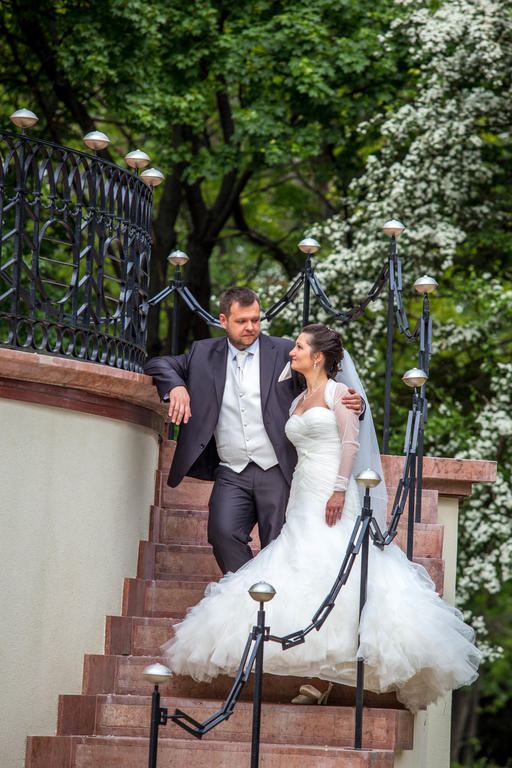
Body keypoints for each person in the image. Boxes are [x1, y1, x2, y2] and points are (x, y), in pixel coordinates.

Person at [161, 324, 481, 711]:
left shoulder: (338, 394)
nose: (291, 351)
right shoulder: (297, 395)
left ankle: (322, 673)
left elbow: (350, 443)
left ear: (317, 357)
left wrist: (340, 489)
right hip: (301, 491)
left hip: (332, 491)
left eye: (299, 347)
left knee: (333, 564)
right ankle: (304, 658)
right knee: (299, 563)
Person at [144, 287, 363, 574]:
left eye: (255, 320)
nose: (250, 327)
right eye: (242, 321)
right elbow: (157, 363)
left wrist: (357, 405)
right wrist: (176, 386)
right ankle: (250, 592)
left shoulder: (285, 352)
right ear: (223, 320)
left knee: (280, 543)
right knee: (222, 533)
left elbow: (325, 387)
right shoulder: (202, 353)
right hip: (231, 470)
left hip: (278, 468)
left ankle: (274, 597)